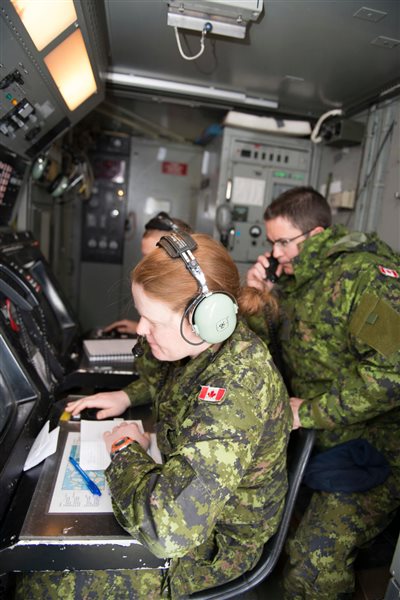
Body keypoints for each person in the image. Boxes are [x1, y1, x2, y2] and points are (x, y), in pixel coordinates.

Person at [17, 232, 292, 599]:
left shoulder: (237, 387)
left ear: (206, 321)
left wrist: (126, 450)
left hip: (212, 547)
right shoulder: (198, 352)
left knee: (45, 584)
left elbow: (170, 531)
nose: (141, 329)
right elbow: (158, 383)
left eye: (152, 320)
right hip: (191, 512)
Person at [246, 186, 400, 599]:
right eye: (272, 242)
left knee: (313, 563)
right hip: (325, 441)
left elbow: (392, 376)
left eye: (283, 242)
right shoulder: (299, 279)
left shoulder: (365, 278)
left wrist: (310, 412)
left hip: (378, 448)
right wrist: (261, 295)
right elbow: (275, 351)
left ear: (315, 234)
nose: (275, 252)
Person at [102, 212, 193, 336]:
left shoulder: (193, 297)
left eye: (152, 258)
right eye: (144, 257)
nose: (144, 266)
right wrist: (138, 328)